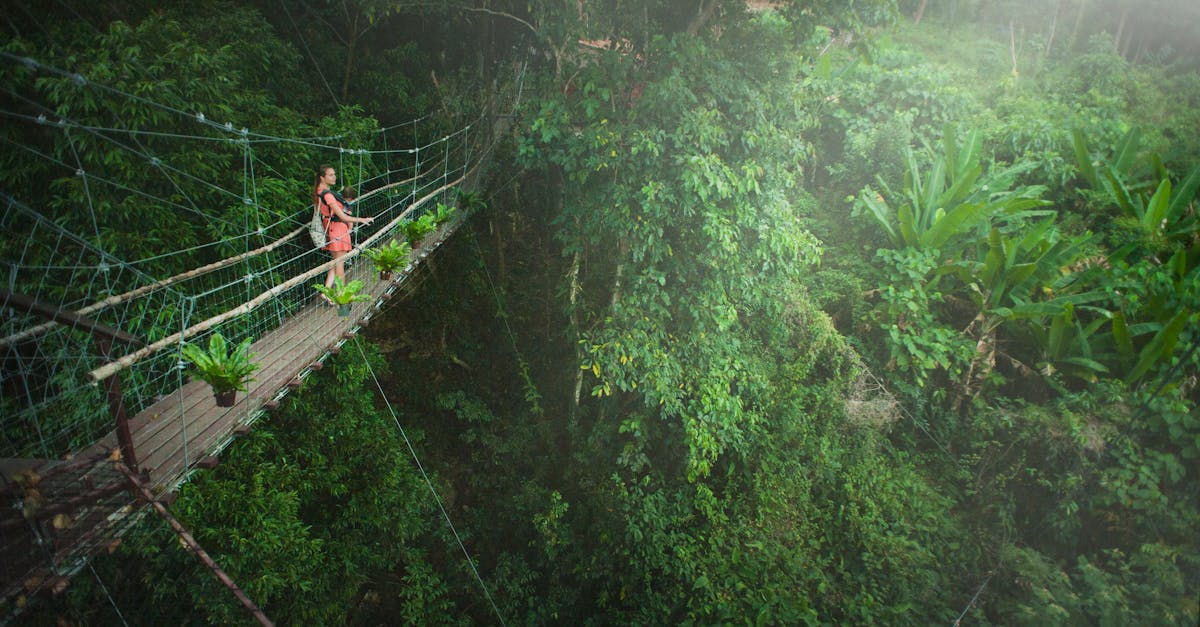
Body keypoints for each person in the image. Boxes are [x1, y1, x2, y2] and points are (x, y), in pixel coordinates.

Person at [313, 165, 373, 301]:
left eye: (334, 174)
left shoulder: (319, 191)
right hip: (337, 229)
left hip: (332, 228)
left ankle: (325, 291)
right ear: (322, 177)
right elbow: (342, 216)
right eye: (330, 175)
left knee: (336, 261)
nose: (334, 177)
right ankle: (341, 294)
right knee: (340, 264)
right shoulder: (327, 195)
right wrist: (362, 220)